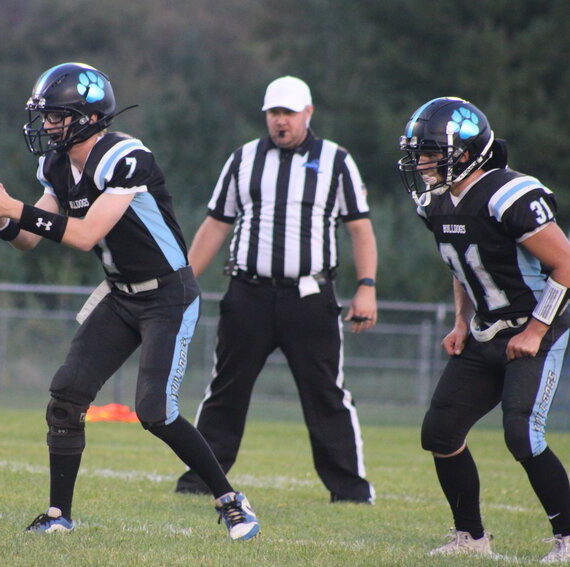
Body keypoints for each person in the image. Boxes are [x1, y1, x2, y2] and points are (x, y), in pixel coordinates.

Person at [0, 62, 259, 540]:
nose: (48, 125)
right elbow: (29, 239)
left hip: (168, 296)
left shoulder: (124, 156)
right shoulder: (57, 164)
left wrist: (17, 209)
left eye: (56, 115)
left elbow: (84, 235)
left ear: (87, 116)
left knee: (155, 411)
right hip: (120, 297)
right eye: (47, 116)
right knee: (65, 397)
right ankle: (59, 516)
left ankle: (230, 500)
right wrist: (1, 218)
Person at [174, 75, 378, 504]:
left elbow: (360, 229)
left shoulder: (336, 161)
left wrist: (367, 287)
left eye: (288, 113)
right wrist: (184, 281)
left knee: (326, 394)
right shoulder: (244, 159)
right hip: (247, 293)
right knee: (225, 389)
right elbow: (215, 224)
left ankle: (351, 490)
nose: (280, 122)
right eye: (273, 113)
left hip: (309, 296)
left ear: (308, 113)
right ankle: (199, 481)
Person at [397, 96, 570, 562]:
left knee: (522, 433)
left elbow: (566, 263)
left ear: (468, 153)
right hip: (487, 328)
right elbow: (462, 265)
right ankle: (470, 539)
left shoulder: (508, 195)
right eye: (419, 152)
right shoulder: (435, 203)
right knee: (440, 432)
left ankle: (569, 537)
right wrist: (459, 321)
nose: (422, 161)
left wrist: (535, 329)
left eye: (432, 151)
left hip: (541, 325)